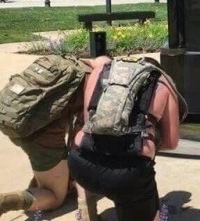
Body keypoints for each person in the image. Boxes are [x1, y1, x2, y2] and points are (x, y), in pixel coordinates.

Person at [68, 56, 181, 221]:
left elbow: (88, 122)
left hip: (81, 165)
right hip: (127, 176)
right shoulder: (163, 81)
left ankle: (86, 212)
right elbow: (171, 143)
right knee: (133, 189)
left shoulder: (101, 71)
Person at [0, 58, 89, 217]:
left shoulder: (74, 65)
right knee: (54, 197)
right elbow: (80, 139)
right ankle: (6, 202)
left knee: (49, 168)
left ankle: (45, 180)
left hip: (9, 112)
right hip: (37, 130)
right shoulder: (97, 87)